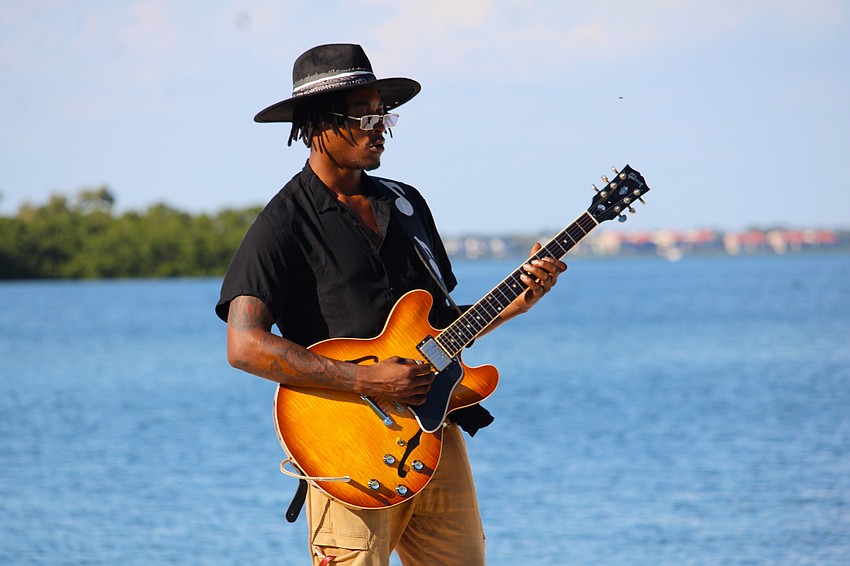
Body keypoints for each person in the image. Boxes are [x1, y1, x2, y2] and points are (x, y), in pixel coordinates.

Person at [215, 43, 566, 566]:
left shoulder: (404, 203)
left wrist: (519, 301)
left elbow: (440, 327)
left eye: (383, 114)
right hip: (349, 454)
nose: (378, 127)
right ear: (314, 125)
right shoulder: (283, 222)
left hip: (433, 437)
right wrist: (364, 379)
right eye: (362, 116)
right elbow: (244, 346)